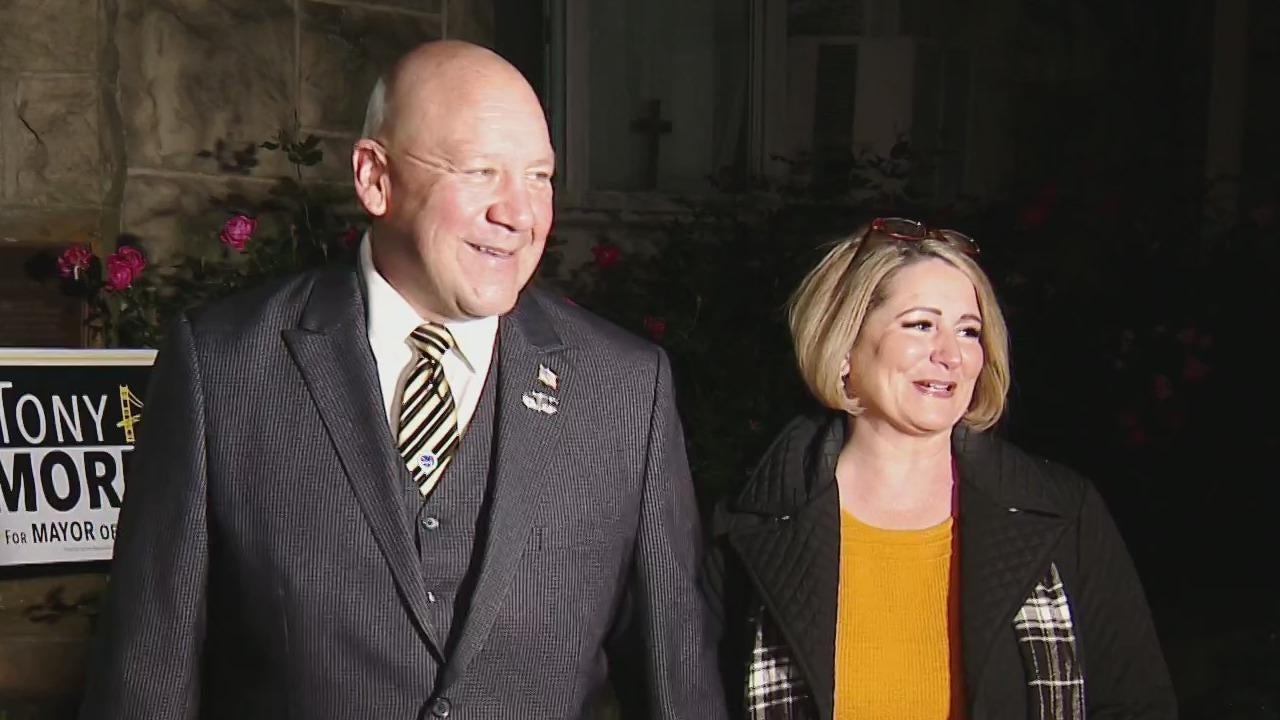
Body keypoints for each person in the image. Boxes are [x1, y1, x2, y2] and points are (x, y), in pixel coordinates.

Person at [80, 41, 724, 720]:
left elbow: (679, 685)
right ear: (374, 178)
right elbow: (144, 680)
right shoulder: (226, 370)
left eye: (539, 176)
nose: (519, 214)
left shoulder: (625, 391)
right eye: (480, 171)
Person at [702, 218, 1176, 719]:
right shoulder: (747, 526)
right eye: (921, 325)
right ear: (844, 350)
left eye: (969, 332)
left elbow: (1135, 706)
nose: (951, 355)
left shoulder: (1061, 512)